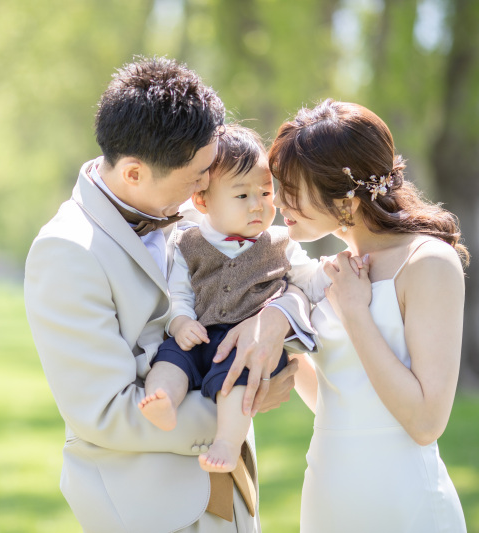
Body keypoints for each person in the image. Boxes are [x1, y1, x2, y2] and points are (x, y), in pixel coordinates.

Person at [24, 56, 316, 533]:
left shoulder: (193, 211)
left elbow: (281, 272)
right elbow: (106, 412)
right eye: (195, 177)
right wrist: (244, 402)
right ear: (135, 174)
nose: (205, 187)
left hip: (232, 493)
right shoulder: (66, 251)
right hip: (149, 507)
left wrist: (278, 316)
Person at [269, 99, 468, 533]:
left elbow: (425, 422)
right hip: (328, 493)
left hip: (403, 504)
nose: (278, 201)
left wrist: (356, 313)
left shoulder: (426, 263)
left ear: (345, 200)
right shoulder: (335, 272)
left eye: (292, 189)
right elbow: (337, 400)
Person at [138, 125, 329, 475]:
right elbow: (178, 292)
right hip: (199, 334)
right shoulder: (188, 242)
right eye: (242, 196)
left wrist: (337, 273)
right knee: (171, 358)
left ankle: (226, 442)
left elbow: (311, 281)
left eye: (266, 193)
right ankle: (163, 398)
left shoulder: (282, 243)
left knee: (236, 381)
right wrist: (180, 322)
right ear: (202, 200)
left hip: (249, 345)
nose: (257, 205)